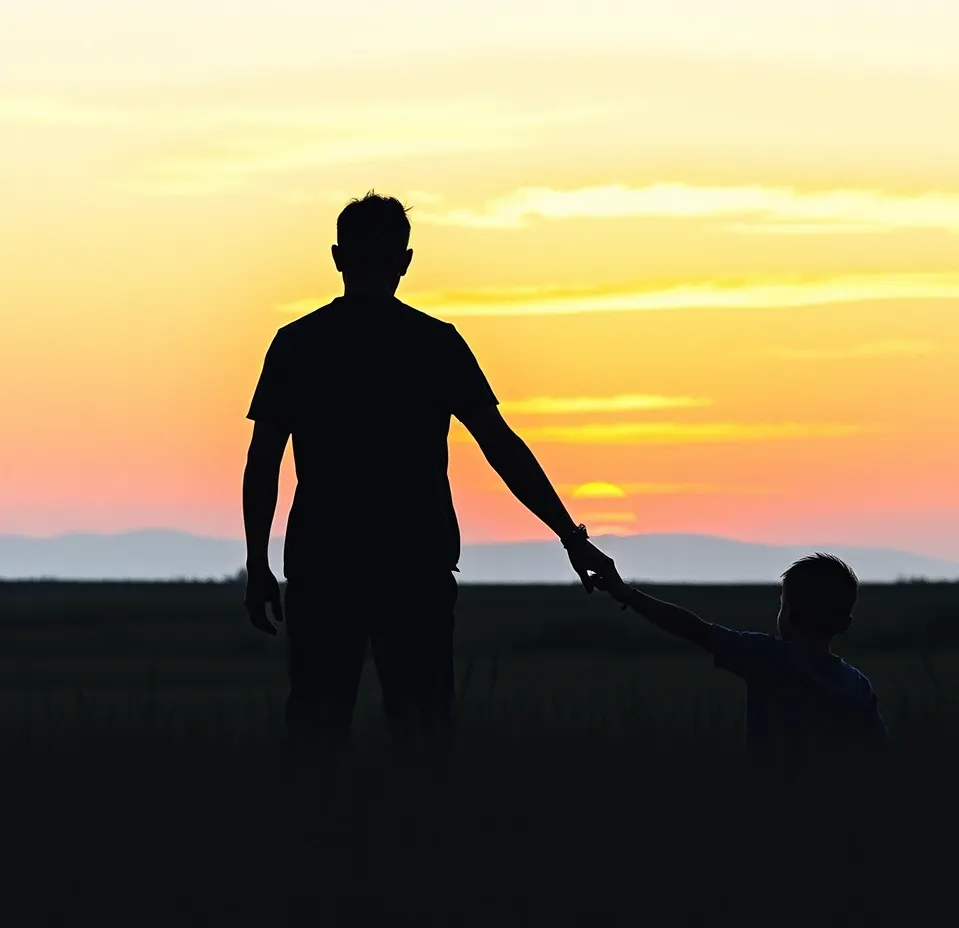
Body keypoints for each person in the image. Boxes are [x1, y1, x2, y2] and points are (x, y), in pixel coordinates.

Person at [241, 191, 616, 756]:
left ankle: (315, 815)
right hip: (413, 561)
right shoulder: (435, 344)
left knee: (317, 728)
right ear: (405, 261)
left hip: (324, 562)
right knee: (424, 730)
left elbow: (263, 462)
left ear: (338, 257)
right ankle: (424, 814)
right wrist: (569, 535)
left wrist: (258, 564)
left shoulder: (298, 344)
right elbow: (501, 446)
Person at [591, 553, 888, 758]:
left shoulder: (768, 659)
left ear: (788, 615)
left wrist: (626, 594)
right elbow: (878, 753)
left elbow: (693, 629)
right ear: (845, 623)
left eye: (782, 604)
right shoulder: (857, 685)